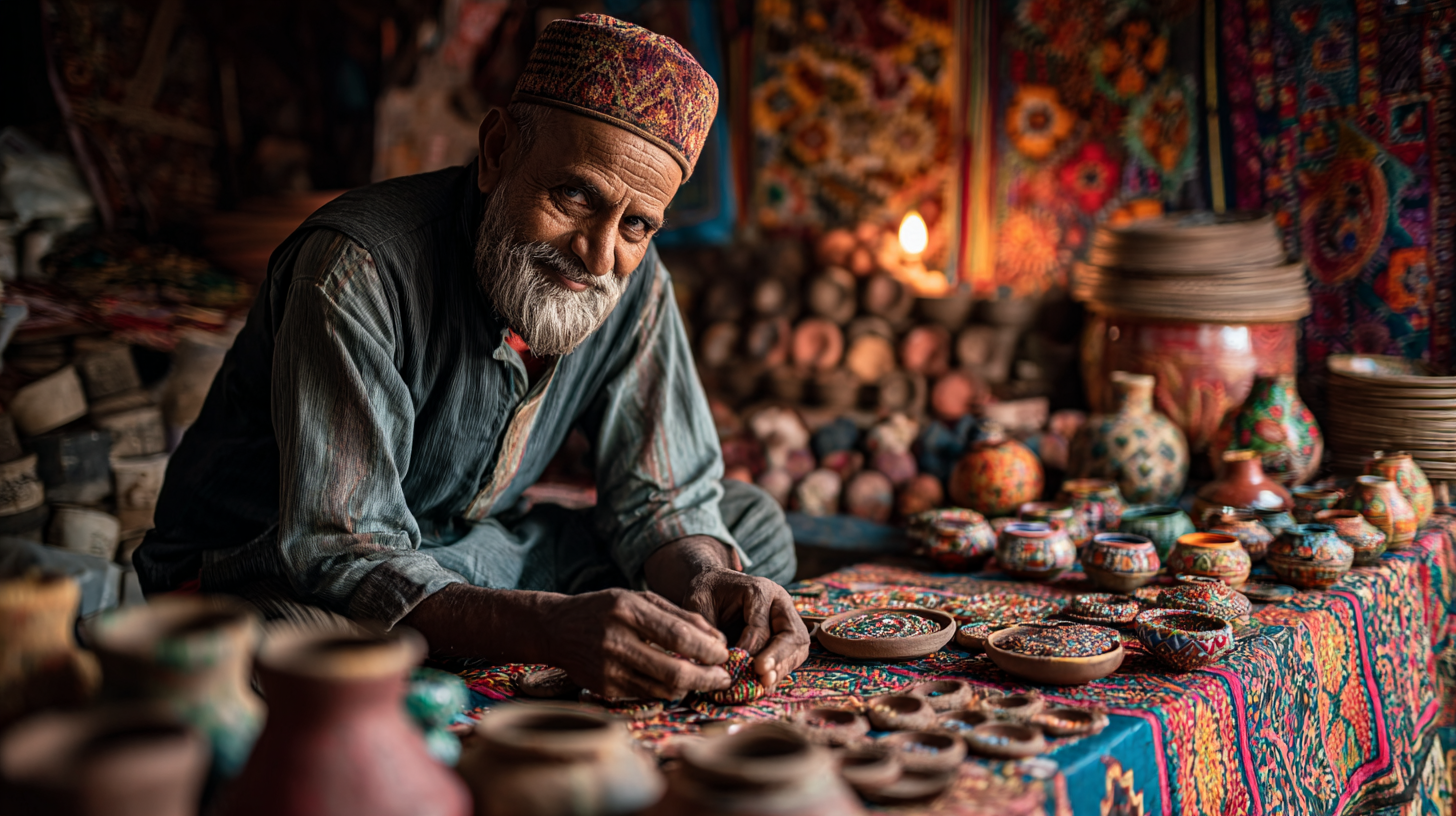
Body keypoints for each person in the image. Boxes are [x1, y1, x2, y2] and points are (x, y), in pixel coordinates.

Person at [135, 14, 809, 701]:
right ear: (496, 151)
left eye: (636, 224)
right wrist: (549, 629)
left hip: (466, 551)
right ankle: (468, 661)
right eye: (575, 195)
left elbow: (664, 497)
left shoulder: (632, 281)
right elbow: (344, 551)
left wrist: (704, 580)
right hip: (278, 573)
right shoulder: (356, 268)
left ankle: (479, 649)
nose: (599, 255)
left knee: (741, 537)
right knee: (285, 655)